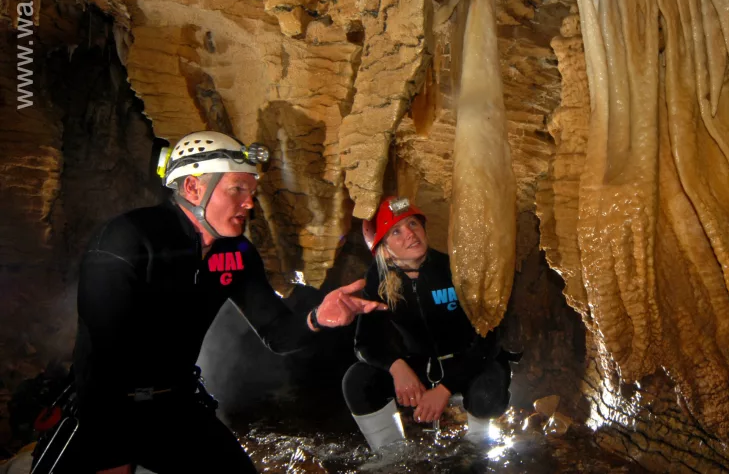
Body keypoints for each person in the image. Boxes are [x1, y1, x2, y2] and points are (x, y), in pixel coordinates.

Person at [52, 131, 387, 474]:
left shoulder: (236, 253)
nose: (249, 203)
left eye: (251, 191)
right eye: (237, 189)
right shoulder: (128, 239)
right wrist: (111, 454)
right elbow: (101, 356)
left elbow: (278, 334)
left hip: (176, 404)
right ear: (194, 188)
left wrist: (317, 318)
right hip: (110, 405)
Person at [341, 196, 512, 450]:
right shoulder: (378, 279)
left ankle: (478, 449)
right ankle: (390, 455)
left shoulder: (454, 270)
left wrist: (445, 388)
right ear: (383, 248)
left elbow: (489, 338)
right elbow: (364, 343)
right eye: (396, 231)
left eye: (413, 224)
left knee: (487, 391)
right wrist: (397, 367)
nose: (410, 234)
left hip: (469, 361)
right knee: (357, 380)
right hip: (420, 365)